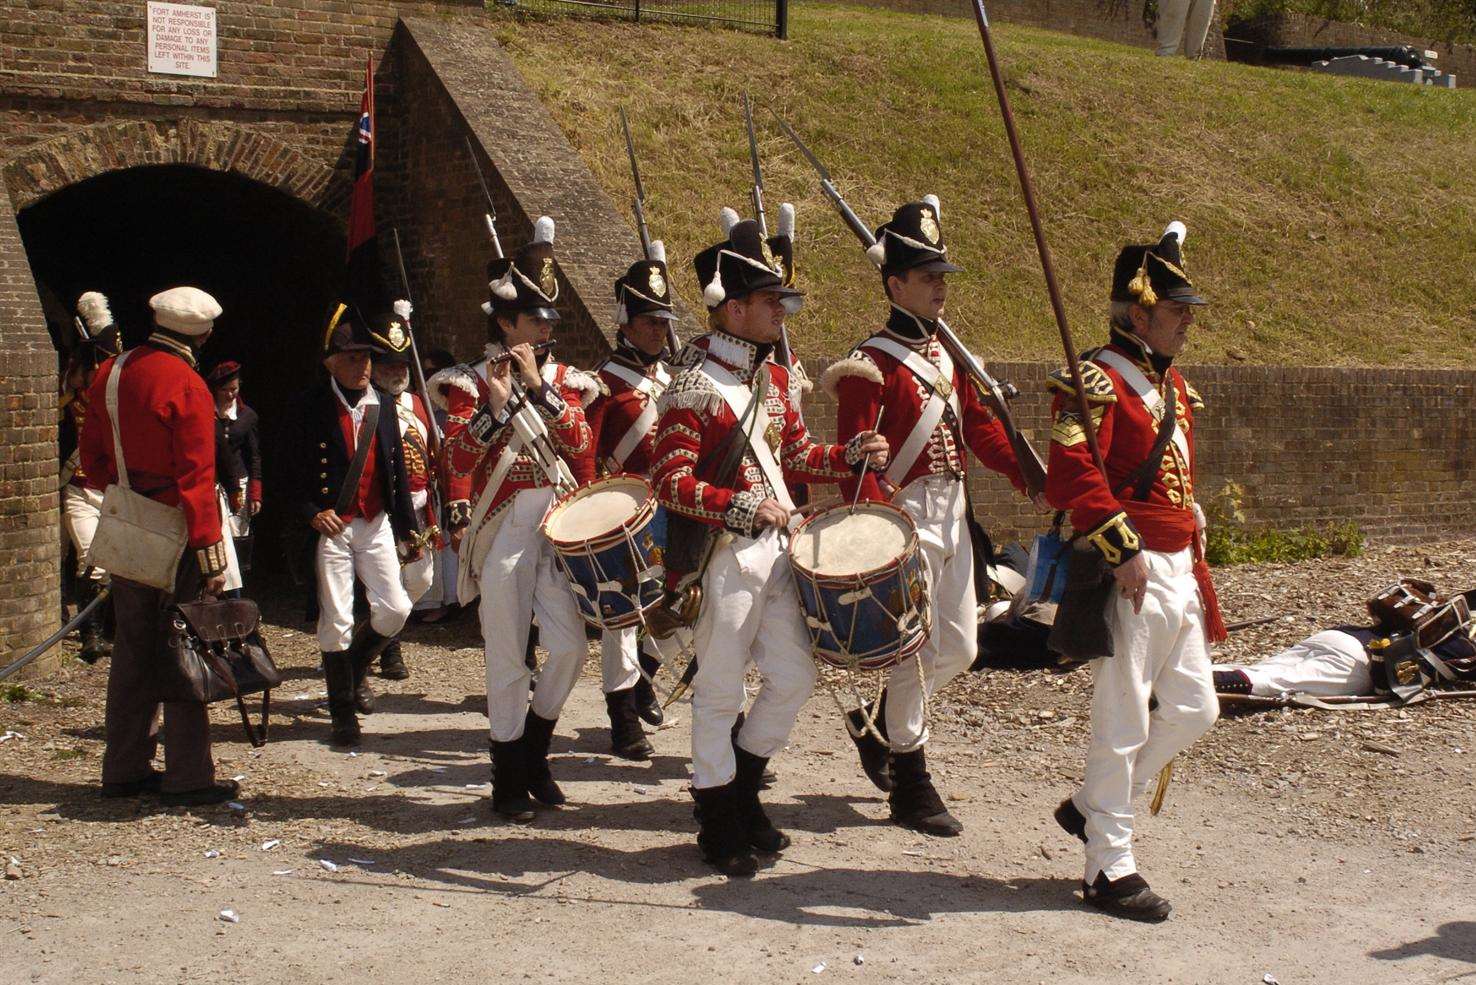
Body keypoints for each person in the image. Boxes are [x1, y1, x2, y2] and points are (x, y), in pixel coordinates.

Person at [651, 213, 888, 877]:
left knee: (795, 676)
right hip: (721, 558)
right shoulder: (691, 386)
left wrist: (846, 455)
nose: (781, 310)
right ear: (732, 309)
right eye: (768, 300)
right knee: (720, 689)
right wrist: (744, 506)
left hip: (777, 551)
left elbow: (794, 454)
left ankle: (743, 787)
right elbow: (669, 483)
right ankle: (718, 816)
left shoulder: (776, 380)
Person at [821, 197, 1041, 836]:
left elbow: (978, 433)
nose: (941, 286)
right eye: (928, 276)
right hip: (905, 518)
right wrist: (884, 526)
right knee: (914, 651)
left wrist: (1031, 476)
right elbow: (855, 463)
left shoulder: (949, 358)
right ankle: (911, 781)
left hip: (953, 513)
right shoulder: (871, 364)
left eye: (943, 276)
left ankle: (880, 719)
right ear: (896, 284)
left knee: (962, 648)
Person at [1045, 221, 1226, 921]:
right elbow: (1072, 475)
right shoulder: (1097, 378)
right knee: (1120, 723)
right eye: (1176, 310)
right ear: (1138, 309)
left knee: (1196, 708)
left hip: (1178, 565)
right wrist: (1122, 552)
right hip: (1135, 568)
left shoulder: (1170, 385)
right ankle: (1107, 863)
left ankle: (1092, 805)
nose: (1186, 323)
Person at [435, 216, 602, 823]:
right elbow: (454, 456)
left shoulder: (562, 380)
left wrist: (539, 390)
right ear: (507, 323)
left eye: (550, 321)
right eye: (537, 321)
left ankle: (534, 749)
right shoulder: (472, 384)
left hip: (556, 524)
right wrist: (498, 410)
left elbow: (582, 450)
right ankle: (507, 776)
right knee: (506, 656)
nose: (547, 331)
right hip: (502, 525)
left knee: (571, 648)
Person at [78, 286, 237, 806]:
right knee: (184, 646)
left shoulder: (111, 372)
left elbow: (93, 459)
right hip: (177, 530)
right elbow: (197, 477)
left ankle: (123, 768)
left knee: (131, 649)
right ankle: (189, 774)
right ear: (203, 333)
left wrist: (128, 494)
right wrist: (212, 554)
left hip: (128, 521)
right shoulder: (188, 384)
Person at [285, 307, 423, 746]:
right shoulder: (307, 406)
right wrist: (311, 511)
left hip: (376, 521)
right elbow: (287, 470)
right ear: (330, 362)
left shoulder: (382, 404)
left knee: (396, 609)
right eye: (351, 358)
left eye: (366, 358)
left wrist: (408, 531)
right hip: (333, 528)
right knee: (338, 619)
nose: (362, 366)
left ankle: (356, 668)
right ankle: (343, 712)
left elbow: (395, 472)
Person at [585, 245, 680, 760]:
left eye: (663, 322)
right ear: (625, 322)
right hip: (627, 510)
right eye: (648, 321)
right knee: (623, 613)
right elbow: (589, 453)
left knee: (680, 610)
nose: (658, 331)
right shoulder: (603, 382)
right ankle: (622, 718)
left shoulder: (674, 374)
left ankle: (646, 676)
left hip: (677, 505)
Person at [1217, 583, 1476, 699]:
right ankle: (1204, 684)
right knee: (1275, 682)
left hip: (1339, 635)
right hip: (1357, 661)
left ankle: (1188, 675)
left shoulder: (1443, 612)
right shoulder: (1463, 645)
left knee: (1260, 669)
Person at [368, 303, 439, 680]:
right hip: (385, 508)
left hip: (420, 505)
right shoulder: (368, 404)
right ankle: (388, 649)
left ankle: (377, 637)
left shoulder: (416, 403)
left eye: (400, 366)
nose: (395, 373)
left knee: (420, 579)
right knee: (387, 581)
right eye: (387, 367)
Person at [59, 291, 122, 663]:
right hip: (80, 484)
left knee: (116, 564)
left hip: (113, 486)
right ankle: (90, 637)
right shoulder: (75, 382)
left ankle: (112, 630)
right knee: (89, 559)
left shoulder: (120, 382)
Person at [205, 360, 262, 595]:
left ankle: (236, 594)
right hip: (212, 483)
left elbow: (255, 456)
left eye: (234, 389)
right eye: (225, 389)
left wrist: (255, 493)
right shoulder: (206, 414)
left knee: (238, 536)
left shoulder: (247, 416)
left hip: (238, 483)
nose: (230, 394)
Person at [414, 346, 461, 623]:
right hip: (430, 482)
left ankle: (455, 598)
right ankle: (435, 600)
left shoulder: (454, 403)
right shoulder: (418, 404)